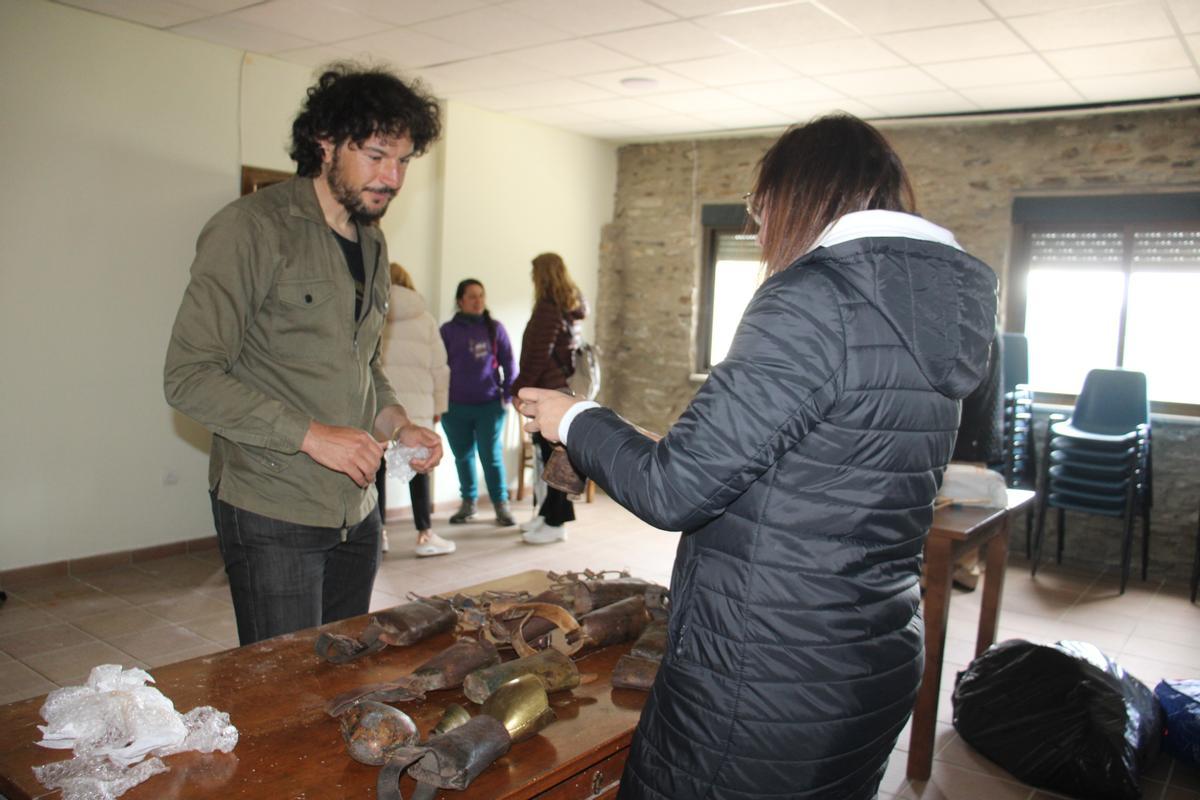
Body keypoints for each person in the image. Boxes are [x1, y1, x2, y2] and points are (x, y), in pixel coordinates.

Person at [518, 114, 998, 799]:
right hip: (869, 661)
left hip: (768, 677)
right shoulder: (927, 314)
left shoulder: (815, 298)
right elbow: (810, 467)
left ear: (799, 197)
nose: (756, 227)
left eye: (759, 207)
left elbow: (673, 490)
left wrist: (577, 419)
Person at [164, 64, 444, 646]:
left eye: (404, 160)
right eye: (375, 155)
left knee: (341, 676)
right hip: (273, 507)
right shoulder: (251, 229)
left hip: (357, 508)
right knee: (284, 694)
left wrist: (399, 425)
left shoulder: (372, 240)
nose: (392, 177)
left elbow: (360, 365)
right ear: (325, 143)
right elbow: (189, 377)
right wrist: (312, 435)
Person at [510, 252, 588, 545]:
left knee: (554, 460)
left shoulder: (548, 309)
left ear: (542, 275)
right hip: (562, 391)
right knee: (553, 458)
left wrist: (517, 389)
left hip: (548, 393)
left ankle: (556, 522)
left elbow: (536, 358)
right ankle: (547, 516)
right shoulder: (571, 306)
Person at [377, 263, 452, 557]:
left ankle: (378, 533)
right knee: (421, 468)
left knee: (375, 469)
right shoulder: (426, 319)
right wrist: (439, 408)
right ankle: (424, 534)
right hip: (418, 406)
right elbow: (440, 369)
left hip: (382, 406)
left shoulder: (374, 312)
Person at [439, 279, 518, 527]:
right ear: (460, 301)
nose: (478, 301)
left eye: (481, 296)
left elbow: (510, 363)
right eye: (472, 296)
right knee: (463, 456)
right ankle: (468, 503)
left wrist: (506, 395)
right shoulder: (448, 331)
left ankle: (501, 505)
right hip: (455, 407)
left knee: (490, 456)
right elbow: (437, 368)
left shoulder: (495, 328)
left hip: (489, 406)